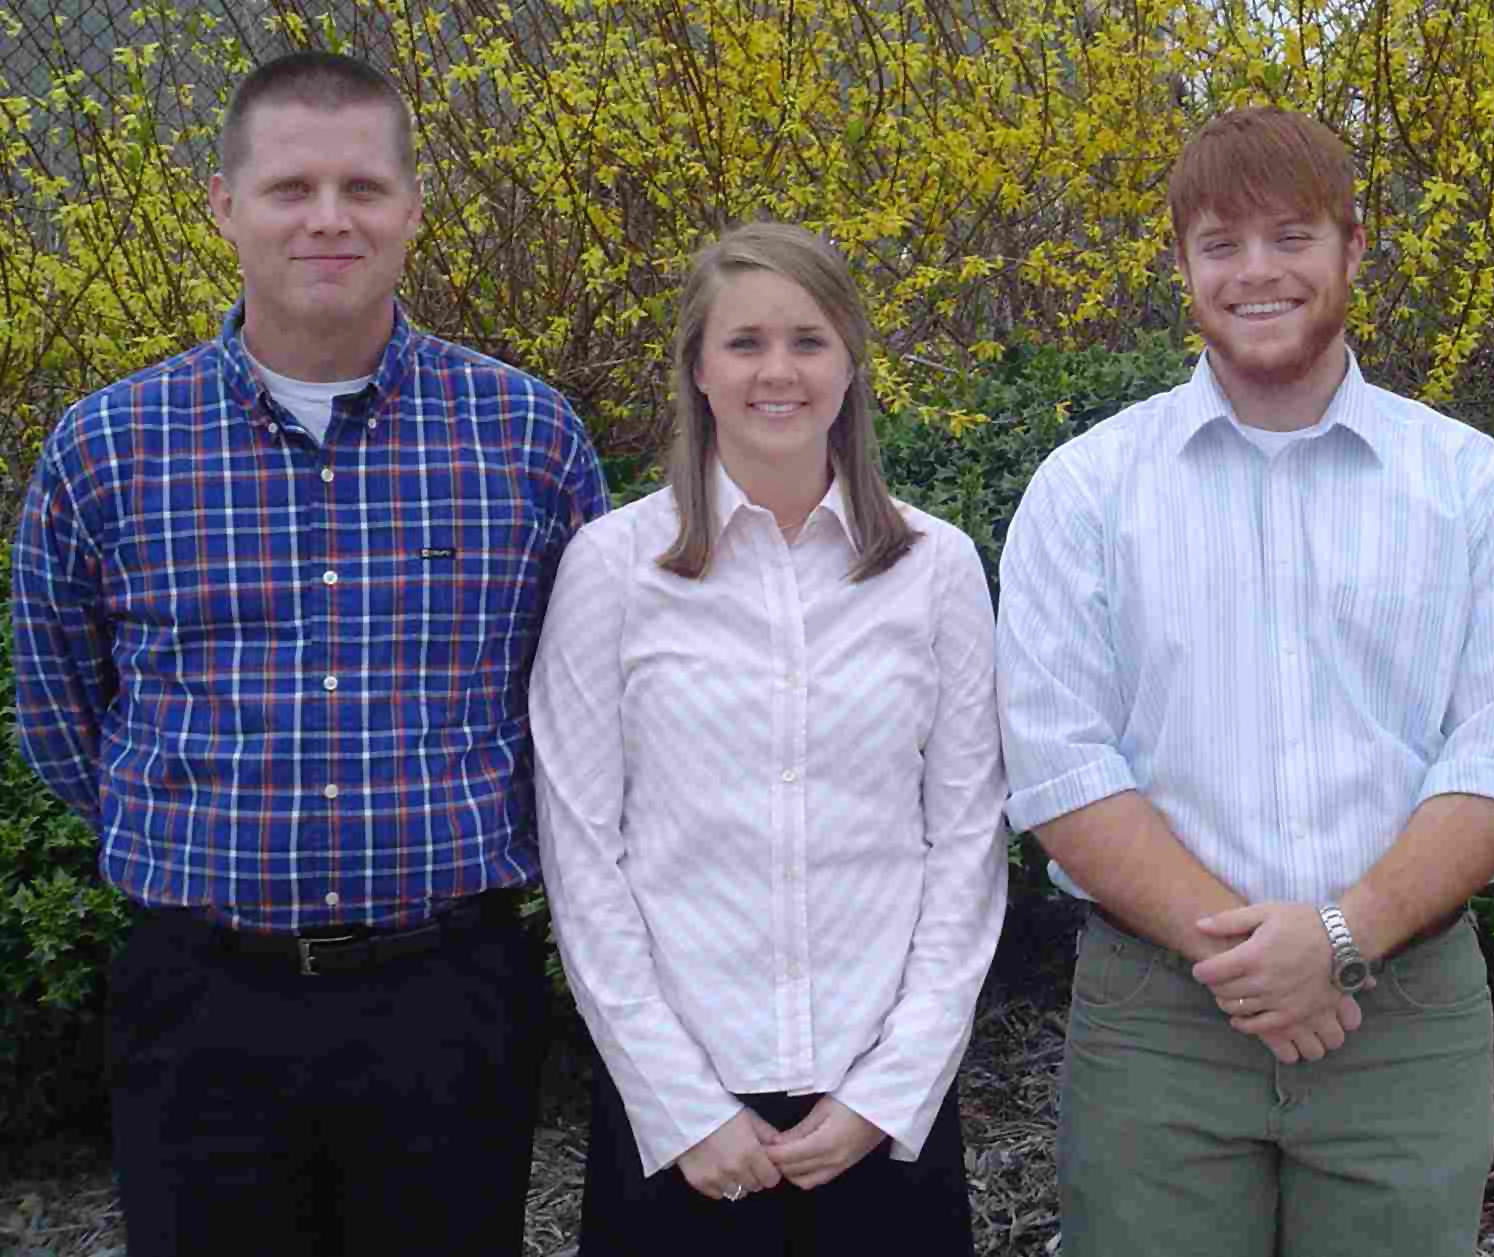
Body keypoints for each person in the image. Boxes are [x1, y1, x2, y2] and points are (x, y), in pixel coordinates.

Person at [11, 50, 608, 1257]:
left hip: (450, 995)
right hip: (202, 1006)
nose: (328, 218)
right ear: (224, 206)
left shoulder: (530, 439)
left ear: (412, 209)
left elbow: (587, 707)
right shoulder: (107, 450)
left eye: (362, 187)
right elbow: (64, 721)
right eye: (290, 188)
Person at [997, 106, 1494, 1256]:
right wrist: (1258, 961)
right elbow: (1058, 766)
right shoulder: (1086, 491)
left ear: (1354, 250)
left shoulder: (1473, 486)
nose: (1257, 272)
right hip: (1155, 1029)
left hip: (1402, 1024)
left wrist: (1340, 939)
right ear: (1182, 268)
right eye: (1222, 243)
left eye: (1291, 236)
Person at [530, 220, 1008, 1254]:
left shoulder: (938, 567)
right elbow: (582, 854)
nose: (777, 371)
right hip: (681, 1125)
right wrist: (679, 1102)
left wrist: (893, 1088)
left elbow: (968, 841)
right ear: (699, 369)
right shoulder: (613, 569)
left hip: (882, 1112)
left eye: (808, 340)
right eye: (744, 343)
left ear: (851, 363)